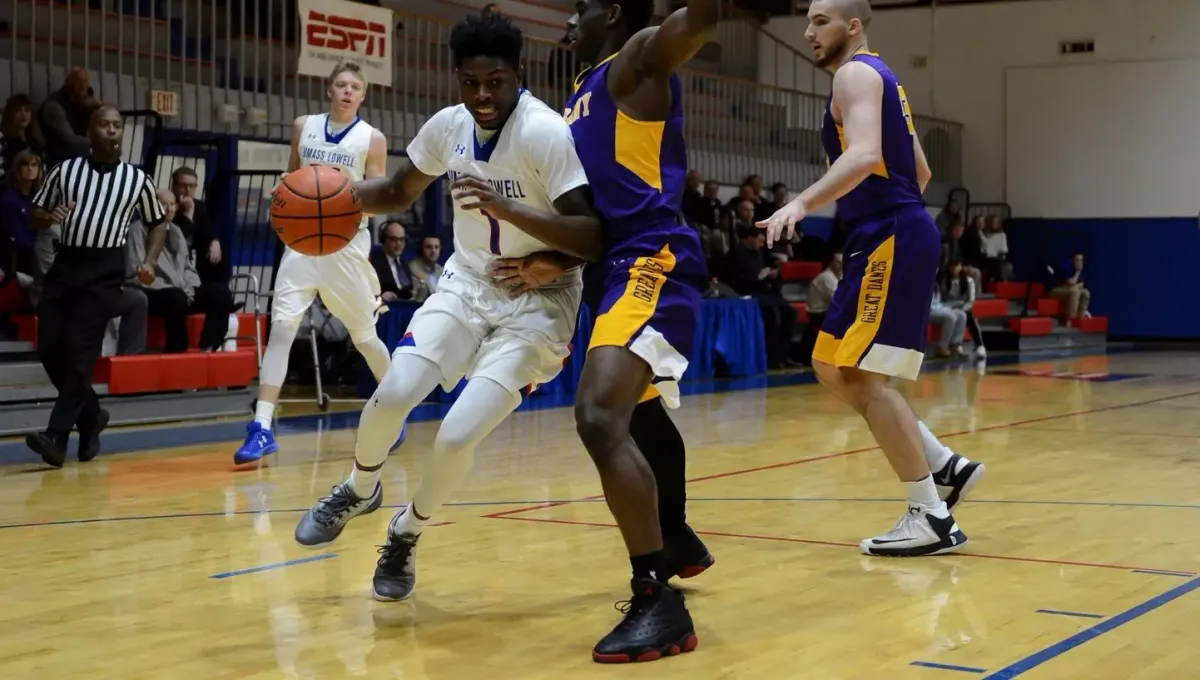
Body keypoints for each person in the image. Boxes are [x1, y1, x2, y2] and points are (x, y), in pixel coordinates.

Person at [290, 13, 600, 609]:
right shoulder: (448, 127)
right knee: (392, 393)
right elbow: (399, 191)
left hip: (540, 301)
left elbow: (590, 233)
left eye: (495, 81)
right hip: (465, 283)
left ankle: (406, 534)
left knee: (457, 436)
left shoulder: (544, 133)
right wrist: (333, 200)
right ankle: (360, 488)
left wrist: (550, 258)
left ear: (519, 76)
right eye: (470, 81)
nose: (482, 95)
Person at [477, 0, 720, 663]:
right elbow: (596, 219)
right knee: (639, 417)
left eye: (580, 7)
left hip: (652, 258)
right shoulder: (580, 93)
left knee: (597, 415)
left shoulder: (634, 60)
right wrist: (550, 260)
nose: (568, 20)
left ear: (612, 13)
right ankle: (675, 538)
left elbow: (690, 26)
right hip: (611, 268)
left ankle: (655, 600)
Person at [758, 0, 985, 558]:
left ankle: (930, 514)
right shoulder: (884, 80)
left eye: (822, 21)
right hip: (890, 229)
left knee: (857, 373)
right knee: (829, 363)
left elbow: (864, 154)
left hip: (889, 234)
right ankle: (942, 466)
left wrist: (803, 201)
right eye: (807, 21)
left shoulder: (855, 75)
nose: (809, 32)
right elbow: (922, 170)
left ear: (852, 26)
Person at [233, 61, 407, 467]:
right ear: (329, 89)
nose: (347, 92)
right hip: (301, 243)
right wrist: (289, 188)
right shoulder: (303, 125)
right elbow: (292, 174)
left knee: (364, 336)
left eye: (355, 87)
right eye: (341, 85)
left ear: (363, 95)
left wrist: (333, 196)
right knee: (281, 327)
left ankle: (396, 408)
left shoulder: (372, 139)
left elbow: (378, 195)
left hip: (345, 245)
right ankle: (261, 426)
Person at [27, 105, 166, 467]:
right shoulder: (65, 171)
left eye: (117, 125)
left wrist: (150, 261)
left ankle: (55, 436)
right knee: (49, 346)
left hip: (105, 270)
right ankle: (90, 417)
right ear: (90, 132)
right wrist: (48, 216)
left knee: (80, 352)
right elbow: (36, 211)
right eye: (104, 125)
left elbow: (159, 223)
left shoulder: (137, 180)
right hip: (65, 264)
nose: (112, 131)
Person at [369, 220, 415, 301]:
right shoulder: (373, 262)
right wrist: (380, 297)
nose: (398, 244)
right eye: (394, 239)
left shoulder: (404, 263)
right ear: (383, 240)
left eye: (402, 239)